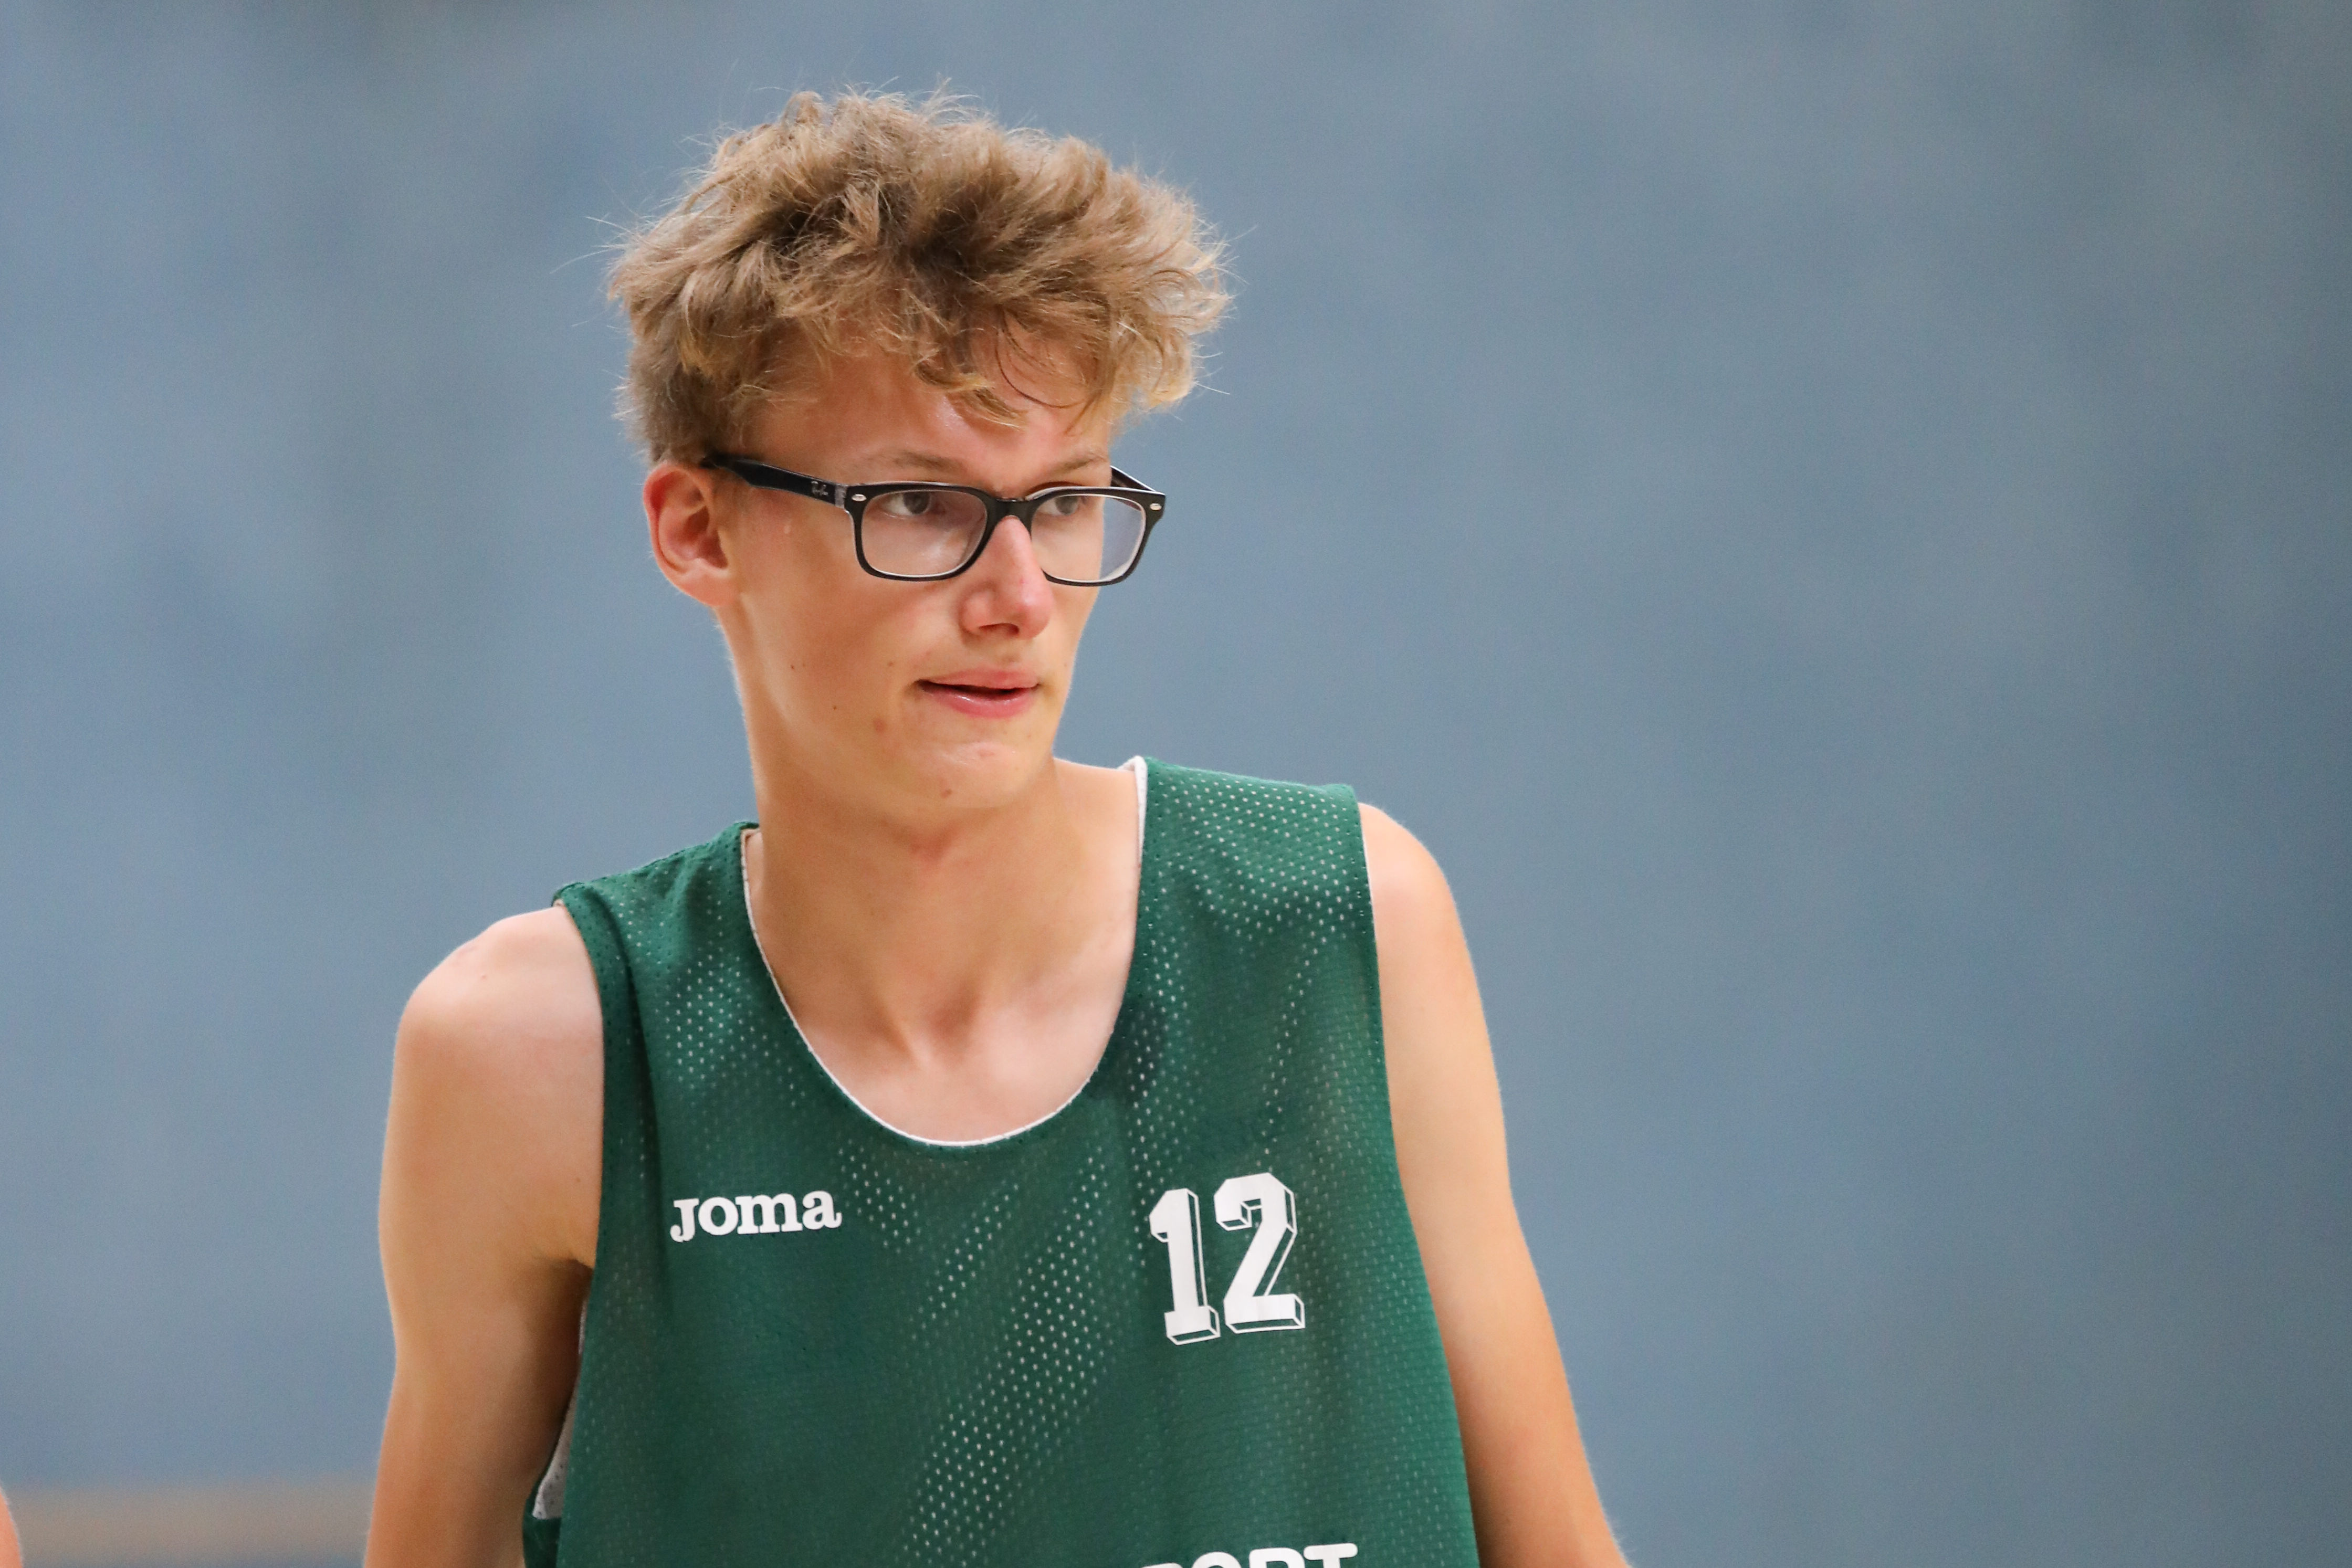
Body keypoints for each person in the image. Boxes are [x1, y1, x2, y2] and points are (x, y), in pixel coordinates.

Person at [368, 91, 1628, 1568]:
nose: (1019, 596)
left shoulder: (1342, 922)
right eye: (920, 503)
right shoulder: (536, 1051)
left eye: (1066, 503)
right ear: (699, 529)